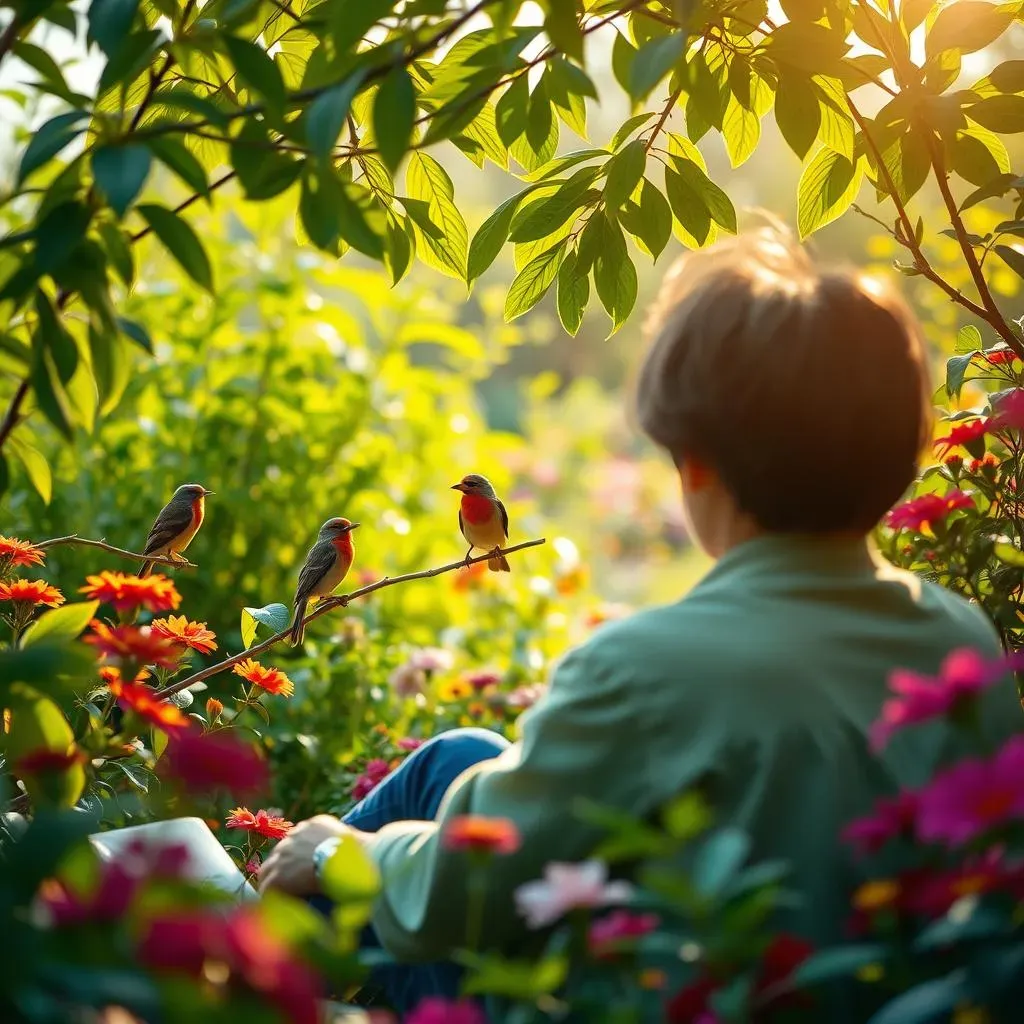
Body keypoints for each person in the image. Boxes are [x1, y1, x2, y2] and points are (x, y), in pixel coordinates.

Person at [259, 222, 1013, 1013]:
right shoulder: (959, 642)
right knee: (465, 758)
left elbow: (461, 895)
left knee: (379, 846)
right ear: (898, 455)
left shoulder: (645, 669)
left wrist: (345, 853)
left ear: (694, 462)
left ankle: (209, 973)